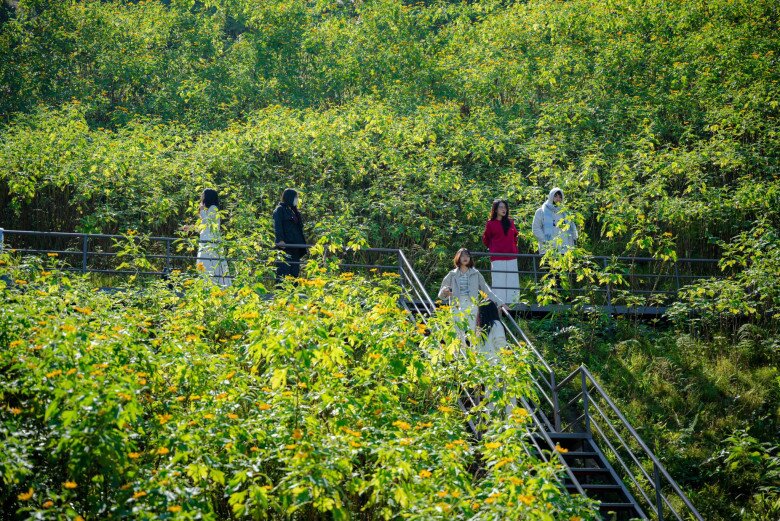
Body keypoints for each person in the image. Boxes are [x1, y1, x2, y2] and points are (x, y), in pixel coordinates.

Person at [438, 248, 509, 336]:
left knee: (472, 330)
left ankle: (473, 349)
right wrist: (445, 292)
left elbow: (487, 291)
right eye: (462, 256)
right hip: (456, 304)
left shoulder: (476, 273)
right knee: (457, 331)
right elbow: (441, 294)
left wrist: (500, 303)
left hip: (471, 304)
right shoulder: (452, 274)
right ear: (458, 258)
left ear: (470, 258)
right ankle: (462, 350)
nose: (465, 258)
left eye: (467, 256)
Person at [482, 199, 520, 304]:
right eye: (501, 207)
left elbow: (515, 237)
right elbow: (486, 239)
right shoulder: (490, 223)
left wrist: (513, 248)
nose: (504, 209)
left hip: (511, 256)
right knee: (499, 281)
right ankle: (499, 305)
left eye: (505, 207)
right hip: (497, 257)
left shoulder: (511, 222)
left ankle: (514, 305)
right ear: (495, 209)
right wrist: (494, 249)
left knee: (512, 282)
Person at [196, 189, 231, 287]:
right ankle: (206, 284)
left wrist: (202, 210)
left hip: (210, 242)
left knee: (210, 263)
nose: (201, 198)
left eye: (203, 196)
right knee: (205, 263)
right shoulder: (210, 209)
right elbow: (203, 227)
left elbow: (208, 223)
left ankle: (214, 285)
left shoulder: (213, 208)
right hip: (206, 242)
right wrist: (190, 228)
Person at [273, 188, 307, 283]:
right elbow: (278, 225)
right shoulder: (279, 210)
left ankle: (293, 294)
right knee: (283, 272)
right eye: (296, 197)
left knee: (294, 273)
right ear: (290, 197)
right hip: (285, 247)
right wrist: (280, 240)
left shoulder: (293, 211)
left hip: (295, 247)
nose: (297, 199)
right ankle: (279, 294)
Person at [532, 187, 578, 255]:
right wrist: (546, 241)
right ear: (551, 197)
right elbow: (536, 228)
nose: (558, 199)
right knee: (548, 266)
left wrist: (572, 245)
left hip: (564, 250)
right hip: (548, 250)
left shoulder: (565, 212)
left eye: (560, 197)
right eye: (555, 196)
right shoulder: (541, 211)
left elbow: (571, 229)